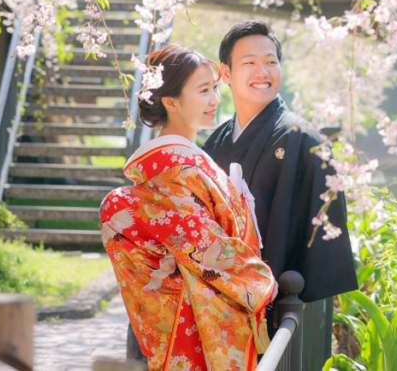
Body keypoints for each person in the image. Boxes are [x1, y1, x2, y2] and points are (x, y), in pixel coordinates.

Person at [100, 45, 276, 371]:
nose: (214, 100)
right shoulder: (174, 167)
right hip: (190, 314)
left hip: (194, 307)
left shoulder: (186, 160)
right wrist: (260, 281)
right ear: (171, 102)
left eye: (215, 88)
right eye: (204, 90)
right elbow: (204, 246)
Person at [203, 21, 358, 309]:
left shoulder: (307, 142)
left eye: (271, 62)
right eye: (249, 62)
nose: (262, 72)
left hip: (279, 307)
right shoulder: (215, 143)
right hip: (220, 307)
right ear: (226, 72)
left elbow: (323, 248)